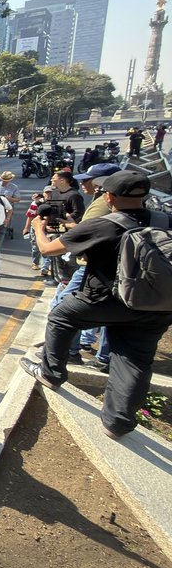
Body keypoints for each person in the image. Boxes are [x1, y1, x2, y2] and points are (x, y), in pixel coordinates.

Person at [23, 170, 172, 438]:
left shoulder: (105, 224)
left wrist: (37, 229)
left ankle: (51, 373)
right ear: (145, 196)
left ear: (110, 197)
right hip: (157, 305)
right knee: (135, 360)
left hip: (106, 299)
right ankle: (118, 422)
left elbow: (48, 249)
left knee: (61, 316)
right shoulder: (165, 220)